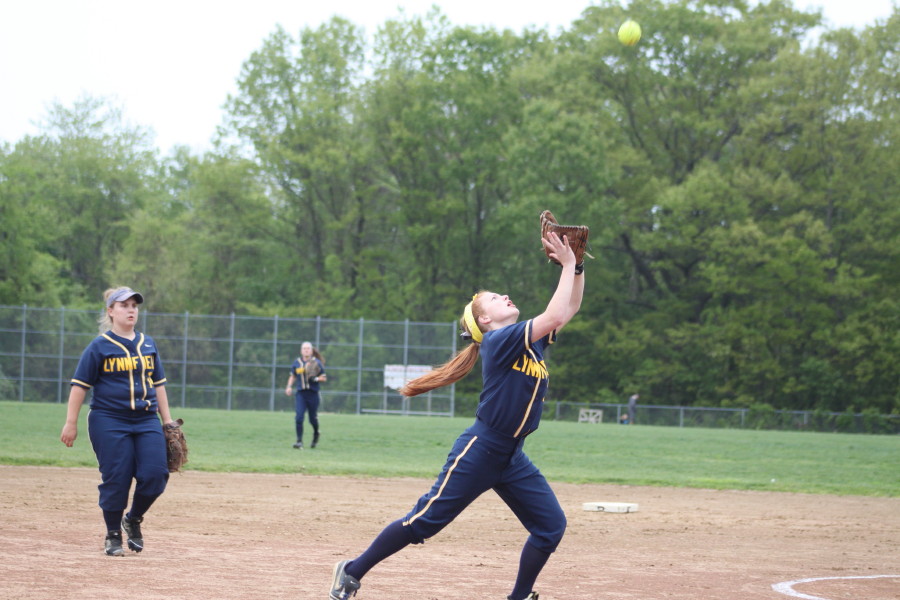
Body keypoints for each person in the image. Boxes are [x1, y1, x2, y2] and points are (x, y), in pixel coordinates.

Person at [329, 230, 584, 600]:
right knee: (424, 522)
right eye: (495, 298)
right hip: (481, 450)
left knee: (550, 526)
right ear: (485, 319)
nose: (505, 296)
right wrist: (568, 263)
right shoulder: (498, 341)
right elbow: (556, 312)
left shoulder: (529, 342)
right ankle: (351, 571)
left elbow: (569, 309)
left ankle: (519, 597)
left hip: (512, 456)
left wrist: (576, 269)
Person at [59, 287, 177, 557]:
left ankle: (132, 519)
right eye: (124, 305)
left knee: (156, 475)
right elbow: (79, 386)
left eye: (134, 305)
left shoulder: (148, 344)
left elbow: (159, 384)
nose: (131, 310)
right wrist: (70, 423)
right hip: (109, 419)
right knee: (117, 477)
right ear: (111, 311)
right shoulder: (99, 346)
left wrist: (168, 421)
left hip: (146, 419)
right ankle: (113, 534)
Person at [285, 341, 327, 449]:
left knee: (312, 419)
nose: (306, 350)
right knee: (299, 417)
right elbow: (293, 376)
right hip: (301, 394)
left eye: (308, 348)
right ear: (301, 351)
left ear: (311, 350)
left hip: (313, 394)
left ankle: (316, 433)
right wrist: (289, 386)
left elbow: (324, 377)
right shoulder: (297, 363)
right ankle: (299, 442)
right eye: (304, 348)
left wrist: (316, 378)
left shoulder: (316, 362)